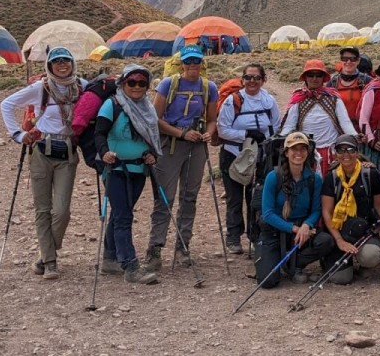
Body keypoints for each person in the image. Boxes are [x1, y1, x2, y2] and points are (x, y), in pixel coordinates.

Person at [0, 47, 87, 280]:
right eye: (56, 61)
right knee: (43, 209)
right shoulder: (41, 88)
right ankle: (49, 261)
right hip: (41, 152)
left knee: (61, 211)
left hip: (67, 153)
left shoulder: (82, 87)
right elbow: (6, 104)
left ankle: (45, 253)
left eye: (66, 60)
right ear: (48, 65)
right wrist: (17, 134)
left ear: (72, 63)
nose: (61, 64)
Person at [143, 44, 219, 271]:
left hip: (195, 148)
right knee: (165, 198)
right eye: (188, 62)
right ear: (182, 63)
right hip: (171, 145)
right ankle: (155, 249)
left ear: (202, 63)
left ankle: (182, 247)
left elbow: (212, 119)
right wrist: (182, 133)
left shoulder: (209, 87)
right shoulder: (168, 84)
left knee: (189, 197)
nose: (192, 66)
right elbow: (154, 119)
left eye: (196, 61)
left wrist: (209, 132)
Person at [94, 64, 161, 284]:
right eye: (132, 82)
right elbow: (99, 134)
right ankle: (130, 266)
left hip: (138, 169)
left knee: (121, 212)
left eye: (142, 83)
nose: (137, 87)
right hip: (115, 169)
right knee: (124, 215)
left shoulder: (147, 108)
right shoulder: (111, 105)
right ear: (123, 83)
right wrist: (104, 153)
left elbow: (151, 138)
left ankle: (110, 258)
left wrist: (151, 154)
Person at [216, 63, 280, 255]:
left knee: (256, 198)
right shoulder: (231, 101)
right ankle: (234, 238)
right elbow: (222, 129)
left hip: (261, 156)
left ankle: (255, 236)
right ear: (242, 79)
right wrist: (247, 134)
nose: (252, 81)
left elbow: (276, 126)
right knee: (234, 198)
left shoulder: (269, 101)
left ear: (263, 80)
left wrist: (267, 142)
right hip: (234, 155)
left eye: (257, 78)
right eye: (248, 78)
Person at [320, 134, 380, 284]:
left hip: (365, 230)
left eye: (351, 150)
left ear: (357, 152)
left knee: (371, 257)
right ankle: (340, 261)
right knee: (341, 279)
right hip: (340, 231)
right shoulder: (331, 178)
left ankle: (362, 263)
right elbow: (327, 212)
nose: (346, 154)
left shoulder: (370, 174)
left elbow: (379, 204)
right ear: (336, 154)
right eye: (341, 150)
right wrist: (339, 240)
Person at [256, 131, 334, 287]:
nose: (298, 153)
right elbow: (268, 213)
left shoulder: (314, 179)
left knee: (326, 241)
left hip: (301, 231)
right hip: (275, 231)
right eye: (294, 149)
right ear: (286, 152)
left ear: (308, 152)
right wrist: (295, 229)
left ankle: (293, 264)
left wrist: (307, 225)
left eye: (302, 149)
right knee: (267, 282)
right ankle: (281, 260)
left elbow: (316, 210)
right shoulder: (273, 177)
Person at [279, 59, 358, 176]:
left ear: (323, 78)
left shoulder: (333, 98)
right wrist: (279, 140)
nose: (314, 78)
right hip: (306, 152)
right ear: (305, 77)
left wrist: (355, 139)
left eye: (318, 75)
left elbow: (345, 122)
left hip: (331, 151)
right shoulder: (298, 99)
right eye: (310, 75)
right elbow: (289, 125)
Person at [327, 47, 372, 129]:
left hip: (363, 130)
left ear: (358, 61)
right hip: (339, 130)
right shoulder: (332, 83)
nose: (348, 62)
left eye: (353, 59)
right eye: (345, 59)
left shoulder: (367, 81)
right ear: (341, 61)